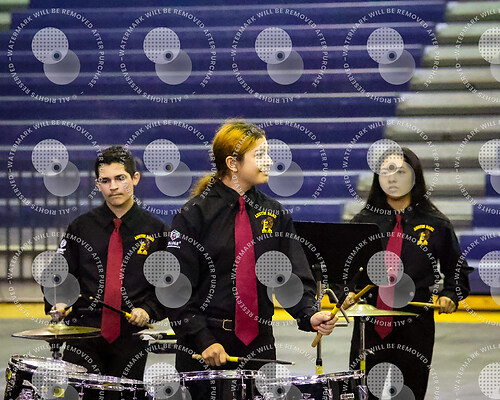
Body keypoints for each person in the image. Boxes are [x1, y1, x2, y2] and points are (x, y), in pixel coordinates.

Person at [166, 120, 337, 372]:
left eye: (268, 154)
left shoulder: (275, 214)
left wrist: (309, 314)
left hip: (260, 343)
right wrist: (203, 339)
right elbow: (174, 289)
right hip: (205, 345)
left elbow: (291, 277)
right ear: (232, 163)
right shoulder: (194, 215)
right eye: (260, 155)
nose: (269, 161)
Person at [342, 147, 472, 400]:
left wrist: (450, 294)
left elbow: (457, 268)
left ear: (415, 177)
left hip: (416, 323)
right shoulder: (363, 222)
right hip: (370, 323)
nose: (392, 178)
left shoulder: (436, 223)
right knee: (363, 393)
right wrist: (345, 293)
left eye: (400, 172)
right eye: (386, 172)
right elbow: (345, 268)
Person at [44, 146, 168, 381]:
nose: (113, 186)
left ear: (135, 178)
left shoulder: (157, 231)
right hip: (83, 334)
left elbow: (167, 285)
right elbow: (57, 274)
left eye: (120, 178)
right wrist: (59, 301)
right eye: (105, 180)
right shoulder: (81, 227)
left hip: (131, 338)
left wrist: (148, 310)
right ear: (97, 184)